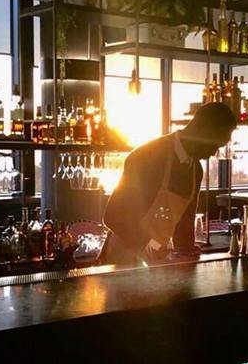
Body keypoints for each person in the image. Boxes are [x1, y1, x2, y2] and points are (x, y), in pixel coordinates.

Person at [101, 102, 236, 266]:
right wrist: (154, 246)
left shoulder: (195, 170)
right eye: (214, 145)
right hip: (122, 258)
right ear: (202, 130)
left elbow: (185, 222)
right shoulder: (148, 156)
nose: (214, 153)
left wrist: (186, 251)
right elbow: (112, 217)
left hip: (157, 260)